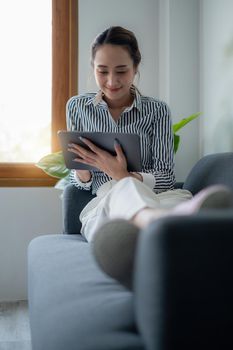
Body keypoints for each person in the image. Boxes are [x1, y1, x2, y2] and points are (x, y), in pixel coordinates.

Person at [67, 26, 233, 289]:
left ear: (136, 66)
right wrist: (84, 170)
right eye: (102, 71)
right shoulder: (77, 107)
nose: (112, 81)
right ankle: (162, 224)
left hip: (157, 196)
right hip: (105, 201)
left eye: (121, 71)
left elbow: (166, 175)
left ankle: (151, 230)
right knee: (108, 226)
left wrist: (124, 175)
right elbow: (77, 180)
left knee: (129, 196)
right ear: (93, 67)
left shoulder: (157, 111)